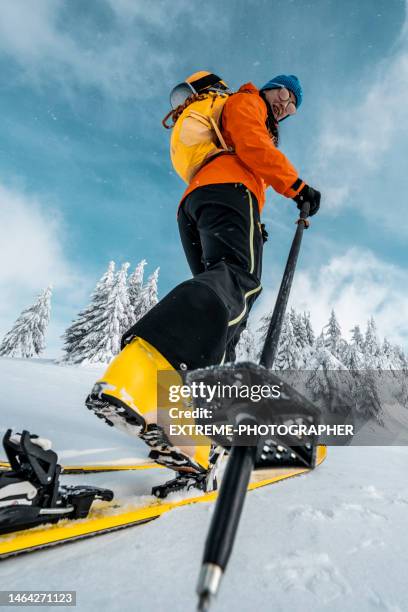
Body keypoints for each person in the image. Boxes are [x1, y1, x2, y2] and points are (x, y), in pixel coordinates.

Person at [86, 73, 321, 491]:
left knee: (226, 309)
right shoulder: (245, 103)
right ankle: (142, 375)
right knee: (236, 279)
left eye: (292, 107)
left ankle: (193, 426)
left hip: (199, 201)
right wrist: (297, 187)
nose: (286, 106)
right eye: (284, 95)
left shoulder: (232, 117)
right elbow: (253, 144)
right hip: (230, 190)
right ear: (268, 88)